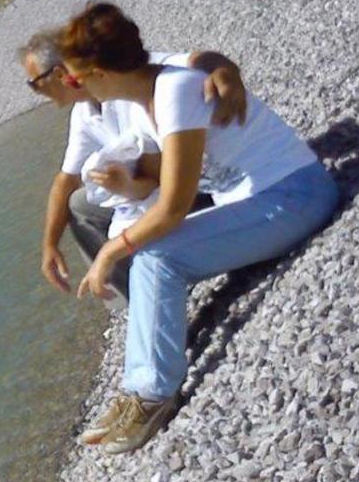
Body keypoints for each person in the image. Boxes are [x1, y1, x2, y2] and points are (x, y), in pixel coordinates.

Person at [56, 3, 339, 454]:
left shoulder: (173, 92)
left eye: (73, 79)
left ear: (100, 73)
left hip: (292, 196)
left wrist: (110, 253)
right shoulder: (148, 91)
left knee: (155, 254)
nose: (72, 88)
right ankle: (138, 386)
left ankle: (150, 396)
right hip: (260, 199)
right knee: (149, 250)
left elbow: (174, 205)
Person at [18, 29, 247, 304]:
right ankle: (139, 298)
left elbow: (192, 60)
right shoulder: (85, 112)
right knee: (79, 203)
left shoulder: (120, 79)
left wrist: (223, 70)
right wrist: (50, 246)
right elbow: (65, 181)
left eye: (33, 83)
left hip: (196, 190)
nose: (35, 91)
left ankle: (155, 292)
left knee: (89, 204)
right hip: (153, 193)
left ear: (57, 74)